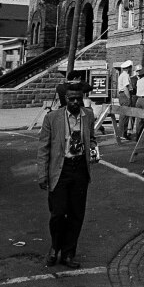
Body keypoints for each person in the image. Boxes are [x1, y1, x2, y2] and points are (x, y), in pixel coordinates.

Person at [37, 88, 99, 269]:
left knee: (76, 214)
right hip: (60, 170)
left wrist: (94, 149)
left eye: (78, 99)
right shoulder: (53, 118)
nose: (75, 102)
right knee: (57, 213)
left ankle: (68, 253)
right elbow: (43, 148)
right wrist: (42, 174)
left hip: (79, 169)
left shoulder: (87, 115)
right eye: (72, 99)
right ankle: (55, 247)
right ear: (65, 99)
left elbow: (92, 138)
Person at [116, 60, 134, 140]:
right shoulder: (125, 75)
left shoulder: (122, 75)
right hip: (125, 95)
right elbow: (125, 87)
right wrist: (129, 97)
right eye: (130, 67)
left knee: (123, 115)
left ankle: (122, 133)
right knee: (124, 115)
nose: (131, 69)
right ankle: (123, 134)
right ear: (128, 68)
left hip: (122, 95)